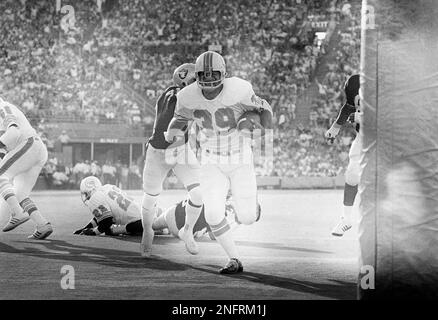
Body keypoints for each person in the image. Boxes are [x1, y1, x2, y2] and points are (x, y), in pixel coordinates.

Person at [166, 51, 272, 274]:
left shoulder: (239, 89)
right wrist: (174, 131)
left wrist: (261, 131)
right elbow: (181, 118)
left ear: (223, 72)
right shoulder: (187, 96)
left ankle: (246, 205)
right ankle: (234, 258)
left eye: (213, 74)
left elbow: (265, 109)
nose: (209, 79)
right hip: (211, 159)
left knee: (248, 218)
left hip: (240, 157)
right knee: (213, 215)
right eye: (204, 74)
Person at [140, 63, 203, 258]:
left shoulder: (185, 95)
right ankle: (147, 229)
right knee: (151, 196)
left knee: (199, 194)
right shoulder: (173, 96)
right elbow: (169, 126)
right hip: (159, 152)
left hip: (180, 150)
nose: (200, 83)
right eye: (195, 80)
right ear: (184, 81)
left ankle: (187, 230)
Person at [75, 176, 211, 240]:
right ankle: (193, 224)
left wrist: (93, 232)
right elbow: (101, 215)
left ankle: (193, 225)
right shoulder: (107, 187)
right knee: (163, 222)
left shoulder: (95, 197)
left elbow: (106, 222)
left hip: (137, 221)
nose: (86, 196)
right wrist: (87, 226)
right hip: (142, 210)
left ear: (90, 190)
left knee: (117, 230)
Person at [0, 97, 53, 239]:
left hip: (28, 144)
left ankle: (17, 212)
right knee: (20, 194)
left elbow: (13, 133)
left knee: (0, 176)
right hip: (33, 147)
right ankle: (42, 225)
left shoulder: (3, 107)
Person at [325, 74, 363, 236]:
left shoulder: (382, 91)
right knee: (352, 174)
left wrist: (362, 117)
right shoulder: (354, 89)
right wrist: (334, 129)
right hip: (364, 138)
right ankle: (346, 218)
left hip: (387, 139)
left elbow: (389, 114)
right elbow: (348, 108)